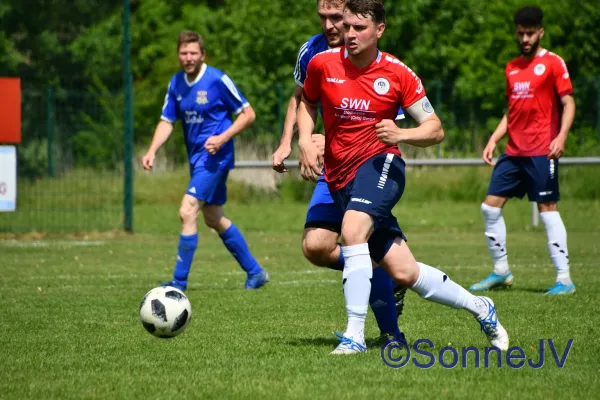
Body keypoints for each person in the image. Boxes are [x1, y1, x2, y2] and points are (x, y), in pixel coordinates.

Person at [297, 0, 509, 354]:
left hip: (382, 167)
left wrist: (401, 134)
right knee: (404, 272)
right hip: (339, 177)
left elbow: (435, 129)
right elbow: (307, 102)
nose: (349, 34)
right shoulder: (322, 64)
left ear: (379, 30)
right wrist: (304, 140)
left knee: (351, 233)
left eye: (358, 28)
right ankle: (480, 307)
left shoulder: (397, 73)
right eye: (346, 26)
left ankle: (354, 336)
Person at [271, 0, 407, 344]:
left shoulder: (376, 58)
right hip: (331, 166)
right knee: (316, 246)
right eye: (324, 17)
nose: (331, 25)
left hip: (367, 166)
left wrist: (325, 137)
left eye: (337, 18)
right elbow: (302, 99)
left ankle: (385, 332)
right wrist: (294, 141)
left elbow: (382, 120)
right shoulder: (312, 52)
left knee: (355, 238)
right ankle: (384, 274)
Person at [141, 31, 269, 291]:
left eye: (193, 53)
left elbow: (248, 114)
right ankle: (255, 272)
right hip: (196, 159)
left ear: (202, 55)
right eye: (183, 53)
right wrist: (152, 150)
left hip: (215, 158)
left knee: (187, 210)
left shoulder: (217, 80)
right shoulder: (176, 84)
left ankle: (178, 283)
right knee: (212, 216)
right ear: (178, 54)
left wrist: (222, 138)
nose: (188, 58)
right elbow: (167, 121)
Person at [469, 6, 576, 295]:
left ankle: (564, 280)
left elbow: (568, 103)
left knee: (547, 210)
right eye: (521, 33)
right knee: (489, 208)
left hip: (543, 150)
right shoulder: (512, 67)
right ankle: (501, 272)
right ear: (516, 33)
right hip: (514, 152)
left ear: (540, 32)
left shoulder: (553, 63)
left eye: (530, 33)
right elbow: (511, 111)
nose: (525, 38)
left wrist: (561, 136)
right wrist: (493, 139)